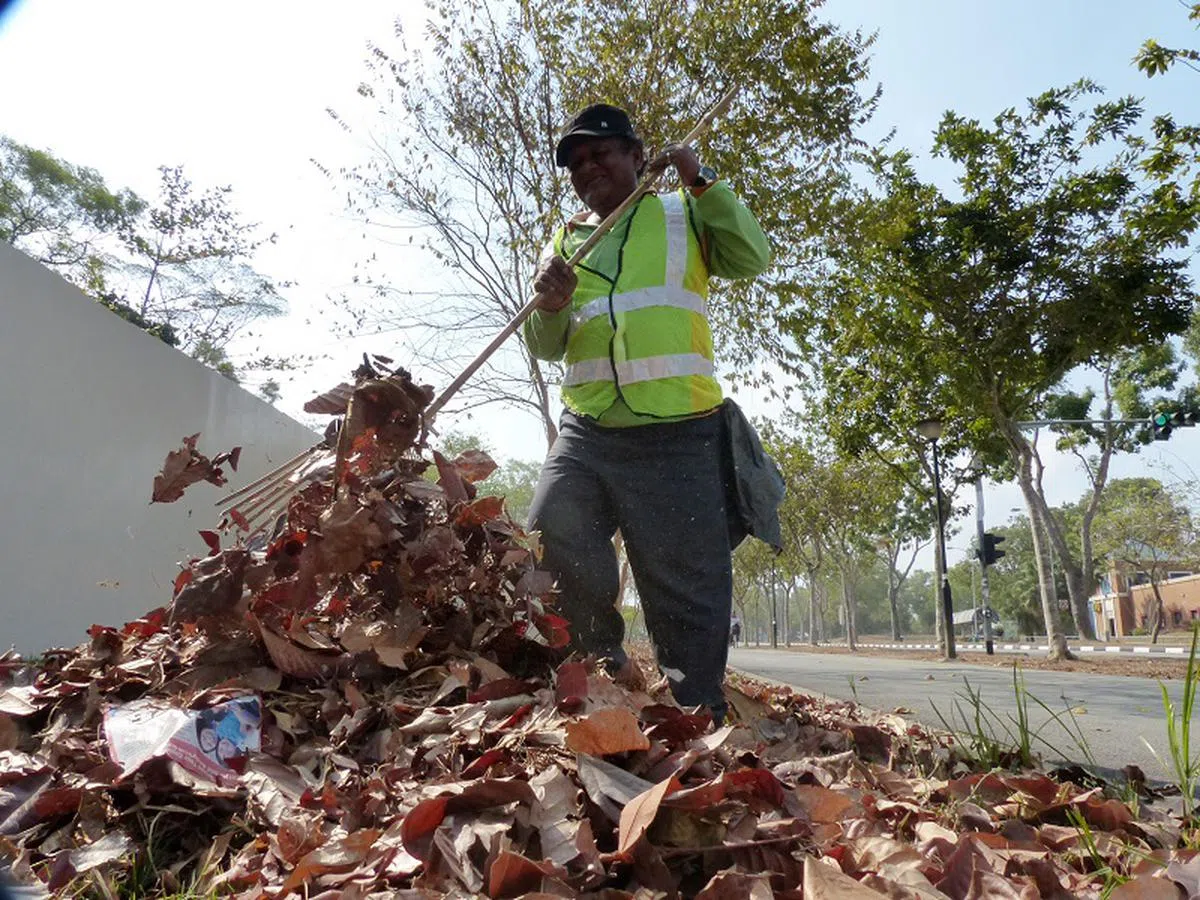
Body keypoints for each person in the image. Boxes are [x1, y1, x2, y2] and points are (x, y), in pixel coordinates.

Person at [524, 103, 770, 723]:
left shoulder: (683, 213)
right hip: (588, 429)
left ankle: (696, 704)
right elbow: (550, 346)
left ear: (637, 156)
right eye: (576, 163)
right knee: (553, 525)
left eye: (601, 153)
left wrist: (701, 180)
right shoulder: (565, 242)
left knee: (684, 579)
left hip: (677, 430)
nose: (588, 168)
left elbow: (751, 258)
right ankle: (600, 660)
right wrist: (548, 307)